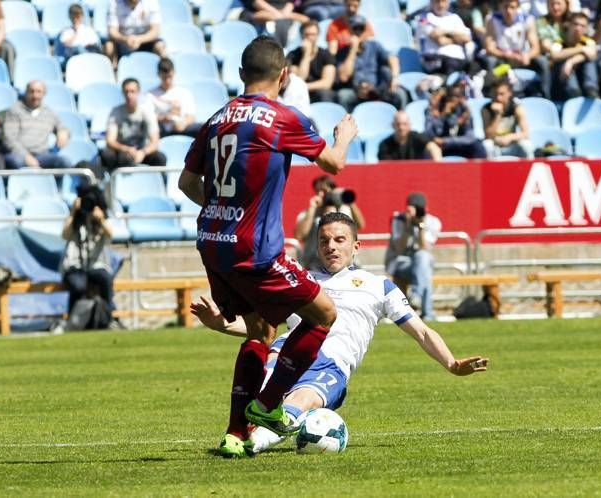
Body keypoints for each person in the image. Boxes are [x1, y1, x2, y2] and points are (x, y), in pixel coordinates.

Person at [177, 36, 359, 457]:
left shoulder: (217, 117)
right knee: (323, 314)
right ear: (285, 74)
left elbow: (187, 183)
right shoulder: (282, 117)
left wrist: (224, 208)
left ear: (241, 75)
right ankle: (268, 404)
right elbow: (333, 164)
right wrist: (344, 135)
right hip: (253, 249)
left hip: (212, 242)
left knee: (260, 330)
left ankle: (235, 434)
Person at [190, 212, 489, 456]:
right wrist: (222, 324)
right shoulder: (301, 281)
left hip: (332, 364)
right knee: (260, 394)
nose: (331, 246)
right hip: (285, 352)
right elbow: (263, 328)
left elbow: (422, 332)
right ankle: (243, 435)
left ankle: (255, 443)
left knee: (301, 399)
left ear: (356, 247)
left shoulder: (378, 285)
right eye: (324, 241)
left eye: (339, 240)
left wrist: (452, 363)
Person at [59, 183, 115, 329]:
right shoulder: (75, 218)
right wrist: (73, 212)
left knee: (106, 279)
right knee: (78, 286)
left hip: (95, 264)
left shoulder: (101, 217)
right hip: (74, 265)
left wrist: (101, 220)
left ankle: (107, 319)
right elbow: (65, 235)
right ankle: (73, 321)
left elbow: (111, 235)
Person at [385, 192, 442, 321]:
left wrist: (420, 226)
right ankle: (428, 313)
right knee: (424, 270)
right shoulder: (399, 220)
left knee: (422, 258)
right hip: (400, 263)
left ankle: (416, 295)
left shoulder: (433, 222)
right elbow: (399, 249)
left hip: (421, 263)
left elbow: (425, 248)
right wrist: (408, 225)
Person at [334, 14, 404, 111]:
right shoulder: (343, 51)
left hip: (376, 89)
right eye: (355, 28)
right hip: (356, 91)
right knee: (343, 96)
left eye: (361, 28)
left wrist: (395, 78)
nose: (358, 32)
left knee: (399, 93)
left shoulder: (374, 45)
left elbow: (393, 59)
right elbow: (343, 77)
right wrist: (353, 50)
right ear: (349, 31)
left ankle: (400, 121)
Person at [294, 175, 365, 270]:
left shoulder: (345, 208)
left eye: (324, 191)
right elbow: (299, 235)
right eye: (318, 191)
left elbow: (361, 225)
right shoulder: (308, 213)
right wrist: (312, 209)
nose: (321, 194)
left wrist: (346, 198)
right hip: (315, 266)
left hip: (347, 265)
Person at [484, 0, 551, 97]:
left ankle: (545, 96)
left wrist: (527, 55)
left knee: (543, 61)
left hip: (521, 58)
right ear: (499, 6)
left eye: (512, 7)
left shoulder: (527, 19)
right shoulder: (492, 19)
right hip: (502, 60)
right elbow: (489, 48)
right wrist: (506, 55)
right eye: (505, 7)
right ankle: (491, 95)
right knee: (490, 61)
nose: (508, 11)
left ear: (517, 7)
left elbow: (536, 48)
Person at [100, 78, 166, 171]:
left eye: (132, 91)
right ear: (123, 93)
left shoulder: (147, 112)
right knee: (108, 155)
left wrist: (143, 152)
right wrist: (126, 149)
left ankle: (159, 183)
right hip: (121, 151)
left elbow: (155, 142)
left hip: (141, 151)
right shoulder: (116, 112)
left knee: (160, 158)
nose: (129, 95)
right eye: (126, 92)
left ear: (138, 92)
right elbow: (110, 140)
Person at [3, 80, 71, 170]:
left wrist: (63, 132)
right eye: (32, 91)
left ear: (44, 94)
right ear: (26, 92)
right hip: (19, 154)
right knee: (15, 162)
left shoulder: (49, 112)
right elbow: (9, 139)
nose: (35, 95)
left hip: (42, 155)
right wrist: (26, 156)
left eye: (39, 92)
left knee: (65, 162)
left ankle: (52, 183)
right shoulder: (14, 110)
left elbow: (62, 127)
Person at [547, 11, 599, 101]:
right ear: (569, 25)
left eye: (582, 26)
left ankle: (591, 90)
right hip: (560, 86)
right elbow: (555, 55)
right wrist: (581, 49)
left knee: (589, 61)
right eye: (575, 24)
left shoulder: (588, 41)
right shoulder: (559, 42)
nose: (578, 28)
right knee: (561, 62)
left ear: (586, 29)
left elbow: (592, 54)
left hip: (582, 80)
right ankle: (574, 93)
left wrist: (571, 62)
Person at [425, 85, 486, 159]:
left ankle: (481, 169)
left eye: (457, 96)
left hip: (458, 145)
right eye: (450, 97)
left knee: (477, 145)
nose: (453, 100)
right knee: (430, 147)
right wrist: (443, 115)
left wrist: (447, 141)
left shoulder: (464, 112)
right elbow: (430, 135)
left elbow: (470, 138)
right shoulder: (435, 110)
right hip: (441, 148)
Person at [416, 0, 473, 76]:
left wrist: (446, 31)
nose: (441, 5)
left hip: (459, 59)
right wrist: (457, 38)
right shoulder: (423, 18)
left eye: (444, 1)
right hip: (436, 61)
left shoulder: (455, 18)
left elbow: (466, 38)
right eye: (437, 1)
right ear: (431, 2)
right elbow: (440, 40)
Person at [287, 20, 337, 103]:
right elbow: (299, 78)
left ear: (318, 36)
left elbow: (327, 83)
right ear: (301, 35)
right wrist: (306, 55)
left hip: (318, 93)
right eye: (307, 34)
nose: (310, 38)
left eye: (313, 34)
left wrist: (305, 86)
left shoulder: (326, 55)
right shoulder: (293, 55)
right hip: (299, 94)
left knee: (325, 93)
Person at [145, 58, 197, 137]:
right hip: (161, 130)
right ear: (159, 75)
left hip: (182, 128)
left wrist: (183, 123)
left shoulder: (184, 93)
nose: (168, 81)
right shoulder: (150, 95)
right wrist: (163, 119)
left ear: (174, 73)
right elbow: (147, 117)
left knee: (206, 129)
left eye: (170, 76)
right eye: (164, 77)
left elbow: (191, 116)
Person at [481, 78, 532, 158]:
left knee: (527, 145)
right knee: (487, 145)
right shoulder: (486, 109)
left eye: (502, 94)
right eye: (495, 94)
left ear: (509, 93)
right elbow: (488, 135)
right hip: (495, 144)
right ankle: (489, 170)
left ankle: (528, 169)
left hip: (512, 143)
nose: (498, 98)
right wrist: (498, 115)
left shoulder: (516, 107)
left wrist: (510, 137)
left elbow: (526, 133)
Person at [378, 110, 443, 161]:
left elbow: (433, 147)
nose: (401, 128)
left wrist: (438, 163)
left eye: (405, 124)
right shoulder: (384, 145)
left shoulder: (416, 137)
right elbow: (386, 168)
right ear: (393, 125)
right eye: (398, 124)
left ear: (410, 125)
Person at [239, 0, 309, 47]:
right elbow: (255, 2)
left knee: (308, 22)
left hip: (285, 14)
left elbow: (292, 2)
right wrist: (277, 14)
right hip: (257, 12)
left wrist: (283, 14)